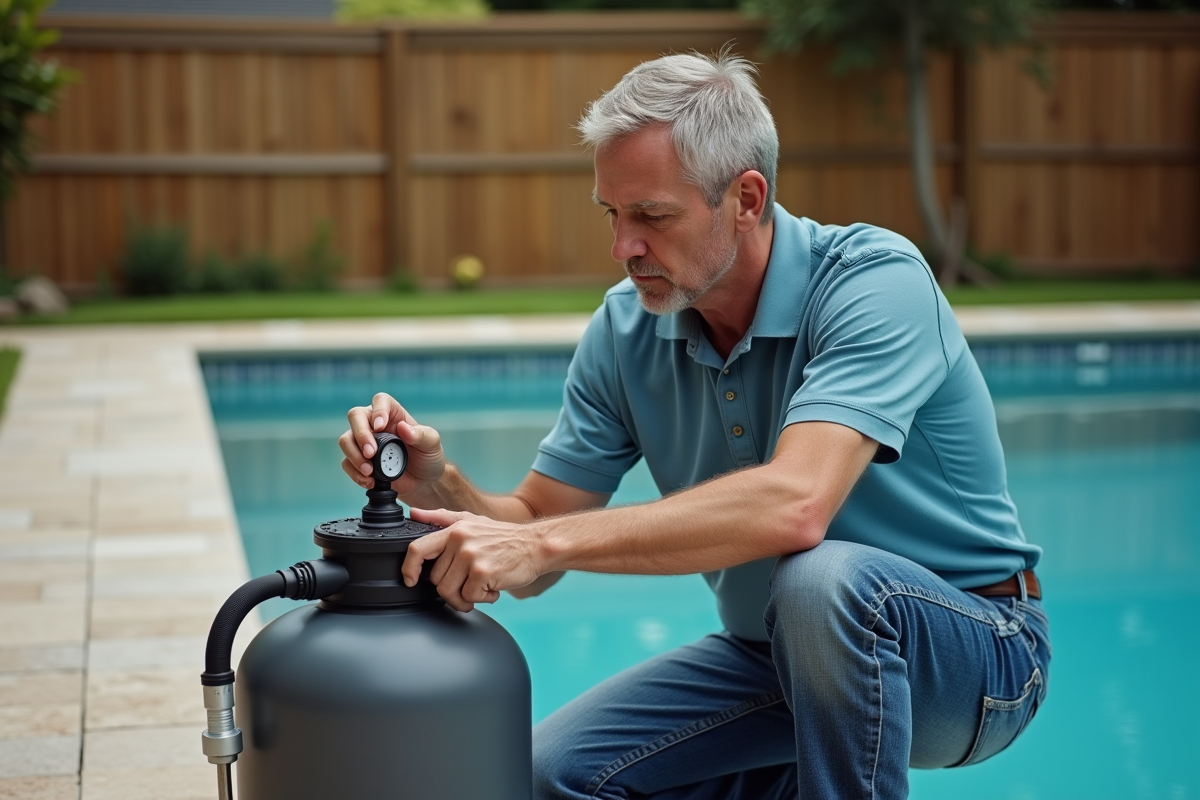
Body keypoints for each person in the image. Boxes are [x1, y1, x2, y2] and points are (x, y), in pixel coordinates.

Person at [339, 51, 1050, 800]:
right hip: (771, 660)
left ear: (746, 198)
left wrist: (540, 541)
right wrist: (438, 482)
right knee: (551, 778)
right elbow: (537, 537)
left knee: (823, 578)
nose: (623, 247)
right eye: (613, 214)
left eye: (652, 215)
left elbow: (796, 505)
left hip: (979, 655)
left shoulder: (876, 282)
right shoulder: (625, 331)